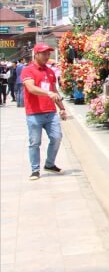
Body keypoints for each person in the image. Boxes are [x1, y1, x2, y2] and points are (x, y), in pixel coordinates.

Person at [21, 44, 67, 180]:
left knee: (57, 137)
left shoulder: (50, 71)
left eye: (48, 54)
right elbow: (31, 88)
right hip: (34, 113)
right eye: (44, 54)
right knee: (35, 142)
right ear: (36, 54)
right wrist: (48, 93)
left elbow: (54, 91)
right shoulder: (28, 70)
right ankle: (35, 170)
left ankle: (49, 164)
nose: (47, 57)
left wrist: (62, 108)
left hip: (51, 112)